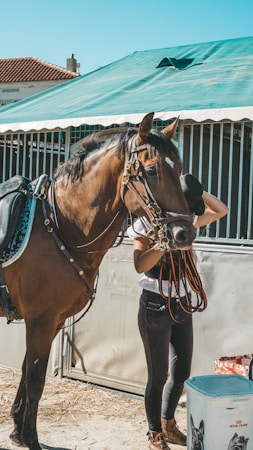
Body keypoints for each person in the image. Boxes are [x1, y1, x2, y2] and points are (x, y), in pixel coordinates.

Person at [127, 174, 228, 450]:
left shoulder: (187, 219)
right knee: (157, 375)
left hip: (182, 302)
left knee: (181, 370)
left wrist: (195, 192)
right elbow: (138, 265)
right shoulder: (145, 224)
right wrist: (164, 242)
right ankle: (154, 433)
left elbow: (221, 210)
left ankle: (168, 423)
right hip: (154, 305)